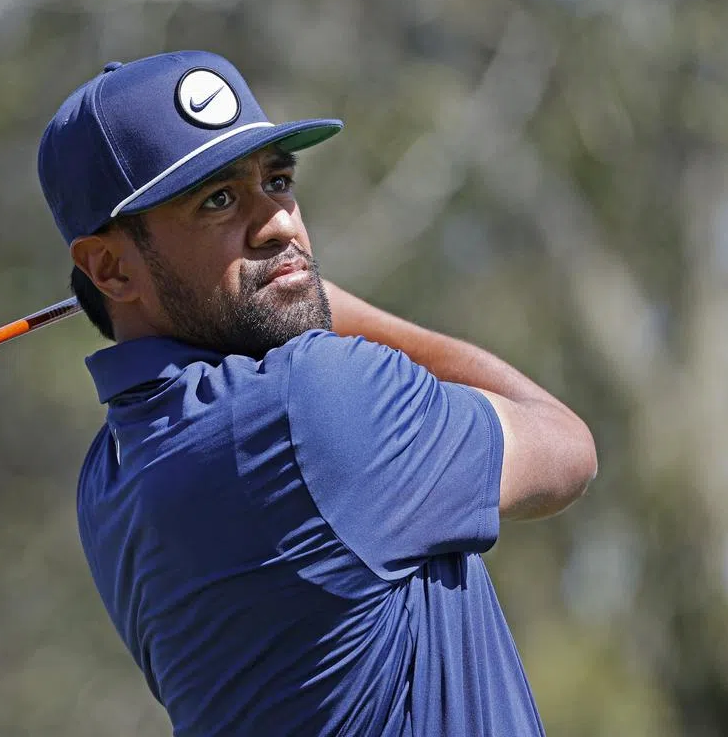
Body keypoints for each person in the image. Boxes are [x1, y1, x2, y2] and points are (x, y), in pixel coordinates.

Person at [37, 50, 597, 737]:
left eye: (278, 180)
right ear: (109, 267)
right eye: (217, 200)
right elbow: (567, 447)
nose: (280, 224)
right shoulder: (311, 405)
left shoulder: (107, 477)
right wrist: (313, 294)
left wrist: (283, 287)